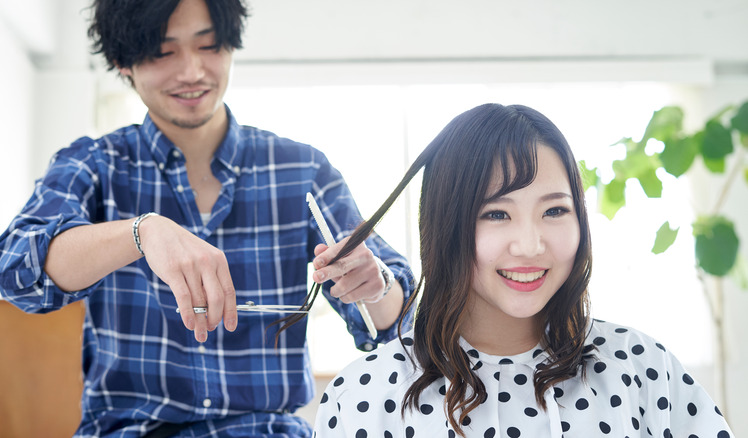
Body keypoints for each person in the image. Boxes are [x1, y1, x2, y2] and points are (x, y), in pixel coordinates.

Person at [0, 0, 415, 436]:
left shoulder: (301, 169)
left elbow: (397, 324)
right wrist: (141, 233)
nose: (192, 71)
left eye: (209, 46)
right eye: (162, 51)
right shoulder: (94, 165)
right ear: (123, 63)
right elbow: (17, 272)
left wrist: (375, 283)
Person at [312, 103, 734, 437]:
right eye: (496, 214)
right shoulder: (361, 397)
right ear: (445, 224)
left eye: (554, 210)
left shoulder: (643, 370)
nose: (531, 245)